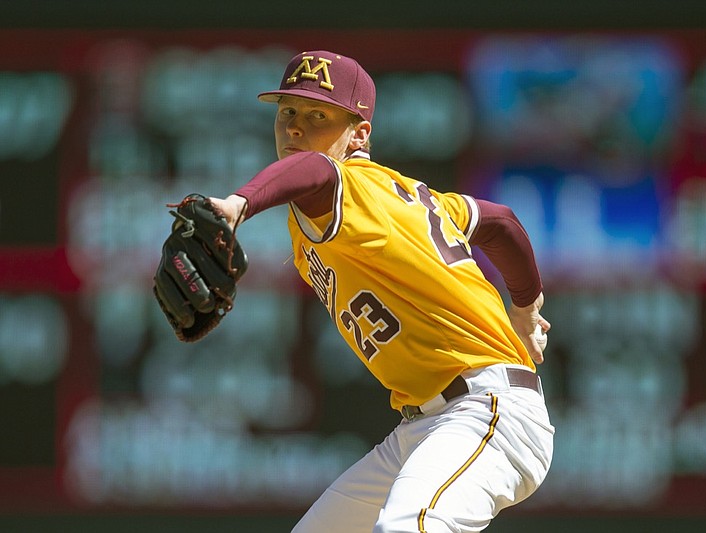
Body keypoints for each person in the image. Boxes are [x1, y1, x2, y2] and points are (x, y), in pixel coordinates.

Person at [210, 50, 554, 533]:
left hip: (486, 412)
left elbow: (315, 172)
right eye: (288, 112)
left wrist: (236, 205)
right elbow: (501, 223)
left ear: (360, 133)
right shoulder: (407, 197)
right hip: (423, 428)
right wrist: (525, 306)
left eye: (317, 116)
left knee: (408, 527)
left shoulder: (353, 187)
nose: (294, 128)